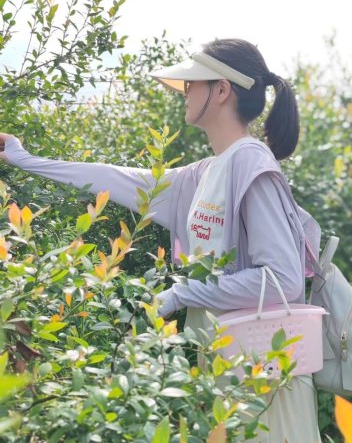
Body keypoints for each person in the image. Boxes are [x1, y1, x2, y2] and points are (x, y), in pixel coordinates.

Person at [0, 38, 322, 442]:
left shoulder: (250, 162)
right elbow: (109, 177)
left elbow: (283, 280)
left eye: (193, 83)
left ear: (222, 90)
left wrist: (183, 292)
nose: (185, 92)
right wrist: (25, 159)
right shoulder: (206, 172)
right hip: (231, 375)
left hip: (269, 383)